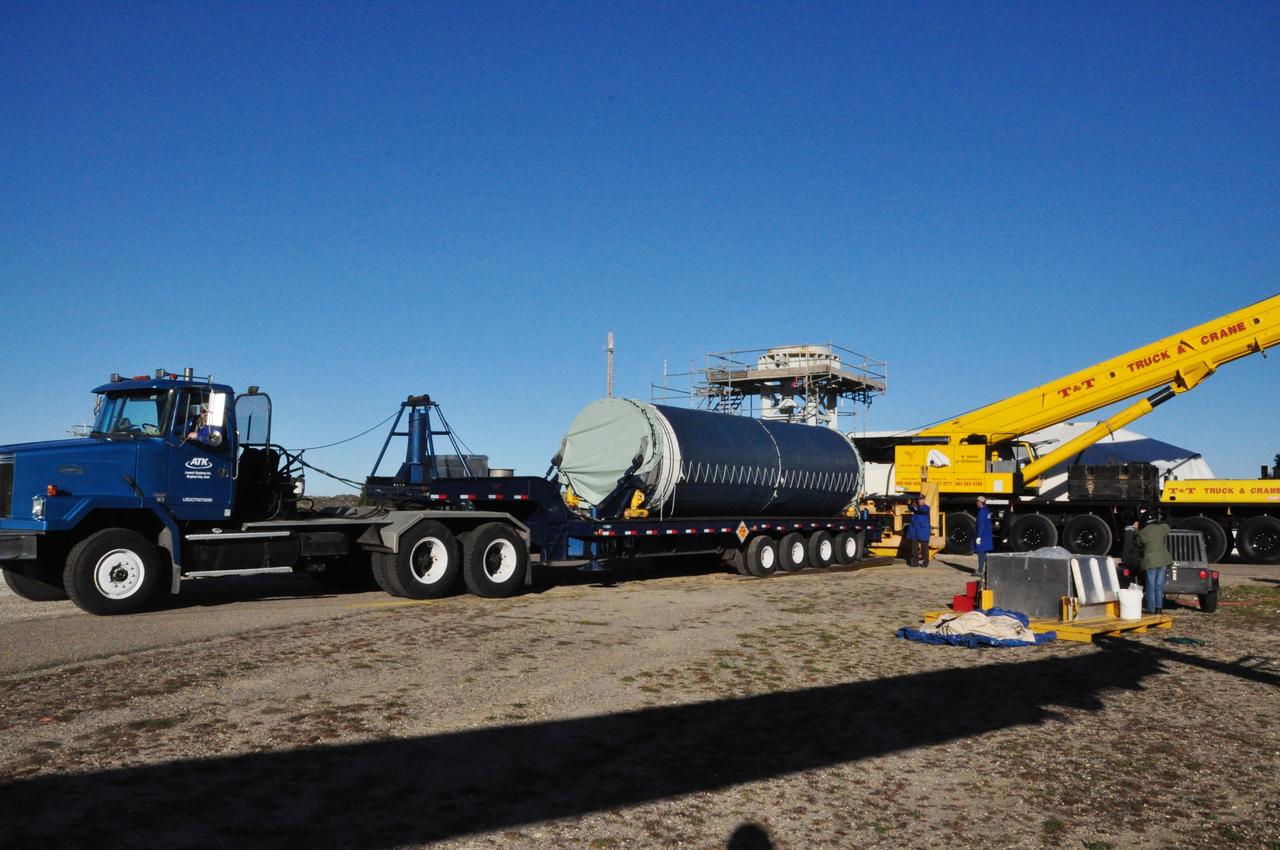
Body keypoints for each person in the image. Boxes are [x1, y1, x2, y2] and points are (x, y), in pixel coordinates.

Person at [1134, 508, 1173, 614]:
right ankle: (1159, 608)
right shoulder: (1162, 528)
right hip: (1163, 560)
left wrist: (1136, 529)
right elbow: (1168, 527)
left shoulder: (1143, 532)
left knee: (1150, 585)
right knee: (1159, 585)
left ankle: (1151, 609)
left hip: (1150, 562)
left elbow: (1138, 543)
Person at [906, 495, 932, 567]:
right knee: (914, 547)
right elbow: (911, 508)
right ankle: (915, 562)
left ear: (924, 500)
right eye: (918, 500)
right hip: (915, 530)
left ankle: (925, 562)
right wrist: (909, 504)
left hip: (923, 530)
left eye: (921, 499)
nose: (919, 501)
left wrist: (914, 506)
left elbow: (920, 510)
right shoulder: (916, 508)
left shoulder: (926, 507)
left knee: (924, 548)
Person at [974, 495, 994, 584]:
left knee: (980, 552)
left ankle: (980, 570)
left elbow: (981, 525)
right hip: (987, 535)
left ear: (980, 503)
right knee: (984, 553)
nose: (976, 503)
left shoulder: (981, 512)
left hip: (982, 535)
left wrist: (979, 536)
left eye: (977, 502)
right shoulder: (987, 510)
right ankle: (984, 569)